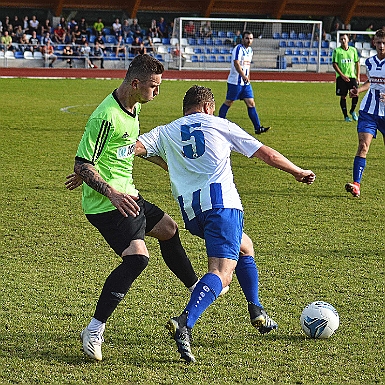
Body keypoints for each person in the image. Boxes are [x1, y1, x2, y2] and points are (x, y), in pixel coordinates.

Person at [136, 85, 316, 363]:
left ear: (185, 109)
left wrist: (169, 165)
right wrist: (297, 171)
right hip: (222, 207)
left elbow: (135, 147)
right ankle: (185, 321)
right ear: (208, 107)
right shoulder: (219, 124)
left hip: (193, 214)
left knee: (245, 246)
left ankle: (256, 309)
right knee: (222, 274)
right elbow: (265, 153)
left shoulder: (166, 130)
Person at [66, 54, 199, 361]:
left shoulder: (134, 106)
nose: (157, 92)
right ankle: (95, 328)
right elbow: (82, 162)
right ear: (136, 83)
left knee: (168, 229)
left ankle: (195, 287)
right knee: (138, 258)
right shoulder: (105, 116)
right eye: (153, 86)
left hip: (129, 195)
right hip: (107, 203)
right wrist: (107, 190)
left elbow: (126, 146)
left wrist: (167, 166)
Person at [345, 29, 385, 198]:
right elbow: (371, 82)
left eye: (384, 43)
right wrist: (358, 90)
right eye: (378, 42)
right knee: (363, 146)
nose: (381, 46)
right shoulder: (369, 62)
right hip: (368, 111)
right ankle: (356, 185)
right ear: (374, 43)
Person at [218, 31, 270, 135]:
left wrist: (248, 77)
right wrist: (243, 76)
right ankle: (218, 124)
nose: (249, 40)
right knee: (229, 102)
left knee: (251, 103)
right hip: (235, 82)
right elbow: (236, 63)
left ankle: (258, 128)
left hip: (245, 83)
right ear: (243, 39)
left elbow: (248, 66)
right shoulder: (238, 48)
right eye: (247, 38)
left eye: (250, 38)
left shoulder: (250, 50)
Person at [332, 33, 360, 122]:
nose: (343, 41)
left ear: (348, 40)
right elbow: (334, 64)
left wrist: (358, 76)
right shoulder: (337, 51)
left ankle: (352, 111)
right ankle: (346, 116)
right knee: (343, 96)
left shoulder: (353, 50)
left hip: (352, 76)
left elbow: (357, 63)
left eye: (344, 39)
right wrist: (342, 76)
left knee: (356, 94)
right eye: (341, 39)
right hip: (341, 78)